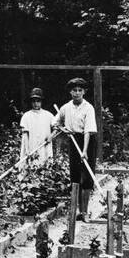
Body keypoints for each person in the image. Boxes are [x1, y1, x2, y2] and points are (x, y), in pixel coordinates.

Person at [54, 77, 98, 217]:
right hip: (73, 140)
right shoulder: (66, 108)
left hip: (88, 141)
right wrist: (63, 129)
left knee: (87, 177)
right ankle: (77, 211)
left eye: (80, 90)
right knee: (75, 175)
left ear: (84, 92)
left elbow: (88, 131)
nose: (77, 93)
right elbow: (55, 122)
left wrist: (84, 151)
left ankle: (85, 211)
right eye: (74, 90)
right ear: (70, 92)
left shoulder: (88, 108)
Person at [18, 88, 56, 168]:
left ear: (42, 102)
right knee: (31, 167)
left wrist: (51, 136)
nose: (36, 103)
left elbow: (56, 128)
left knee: (45, 166)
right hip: (32, 146)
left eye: (38, 101)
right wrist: (27, 150)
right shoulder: (26, 116)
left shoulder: (48, 115)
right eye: (33, 101)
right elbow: (25, 135)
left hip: (44, 145)